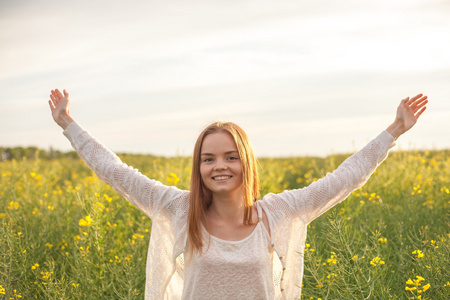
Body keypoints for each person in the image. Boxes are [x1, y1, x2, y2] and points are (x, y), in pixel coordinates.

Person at [49, 89, 427, 300]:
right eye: (208, 158)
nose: (220, 166)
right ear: (198, 167)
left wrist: (394, 130)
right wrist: (68, 123)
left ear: (246, 162)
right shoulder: (179, 209)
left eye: (231, 157)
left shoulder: (277, 212)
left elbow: (342, 180)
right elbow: (115, 171)